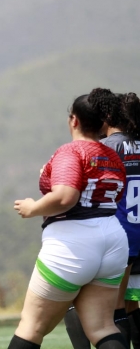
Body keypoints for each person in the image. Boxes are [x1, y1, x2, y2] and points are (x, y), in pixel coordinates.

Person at [9, 93, 129, 349]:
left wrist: (32, 208)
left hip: (74, 242)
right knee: (102, 327)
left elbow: (65, 197)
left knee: (31, 327)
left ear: (74, 120)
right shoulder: (112, 155)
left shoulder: (71, 151)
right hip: (113, 238)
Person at [64, 89, 140, 349]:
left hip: (114, 235)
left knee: (82, 299)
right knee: (128, 302)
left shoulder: (104, 149)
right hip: (135, 233)